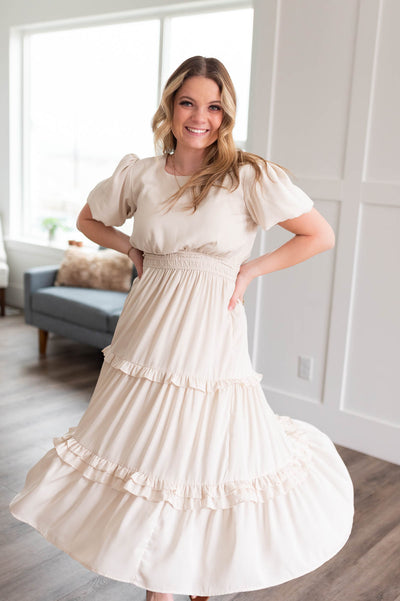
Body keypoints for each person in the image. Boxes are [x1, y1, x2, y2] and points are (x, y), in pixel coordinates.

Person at [9, 56, 354, 601]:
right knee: (148, 445)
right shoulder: (140, 174)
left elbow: (319, 235)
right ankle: (161, 580)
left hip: (209, 321)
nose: (200, 117)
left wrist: (249, 270)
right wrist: (130, 248)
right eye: (188, 102)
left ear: (226, 114)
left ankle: (195, 575)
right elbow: (87, 219)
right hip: (147, 319)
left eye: (214, 106)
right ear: (170, 106)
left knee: (203, 445)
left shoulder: (247, 175)